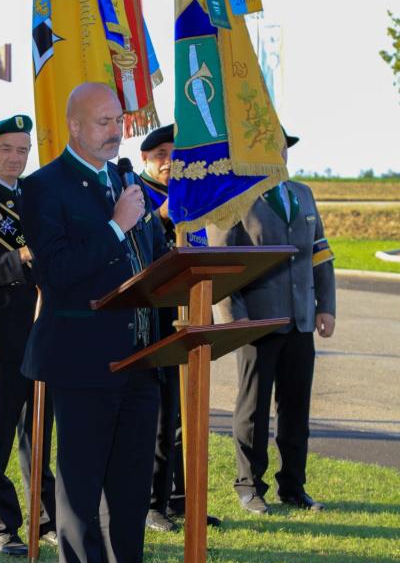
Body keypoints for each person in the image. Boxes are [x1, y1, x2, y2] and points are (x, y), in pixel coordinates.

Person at [21, 83, 173, 563]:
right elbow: (57, 271)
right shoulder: (43, 188)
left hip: (140, 359)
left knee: (130, 490)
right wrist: (115, 226)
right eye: (105, 121)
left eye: (119, 119)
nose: (117, 130)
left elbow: (150, 261)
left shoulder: (126, 181)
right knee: (81, 492)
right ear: (75, 127)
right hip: (82, 361)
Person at [207, 129, 336, 515]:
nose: (276, 154)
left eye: (280, 148)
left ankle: (293, 486)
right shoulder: (235, 198)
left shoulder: (303, 194)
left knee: (296, 407)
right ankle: (250, 486)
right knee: (254, 409)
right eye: (266, 147)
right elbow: (222, 263)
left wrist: (325, 306)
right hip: (257, 323)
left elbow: (321, 255)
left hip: (300, 320)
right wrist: (234, 320)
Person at [0, 114, 56, 556]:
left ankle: (46, 519)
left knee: (39, 431)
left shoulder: (36, 196)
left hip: (43, 330)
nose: (15, 158)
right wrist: (19, 259)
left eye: (23, 150)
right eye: (7, 148)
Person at [140, 125, 220, 532]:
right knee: (160, 414)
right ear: (145, 161)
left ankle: (184, 497)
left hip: (192, 314)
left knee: (188, 412)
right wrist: (162, 215)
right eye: (159, 154)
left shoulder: (194, 196)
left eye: (175, 152)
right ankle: (153, 502)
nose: (169, 161)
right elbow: (134, 244)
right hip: (155, 319)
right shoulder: (137, 194)